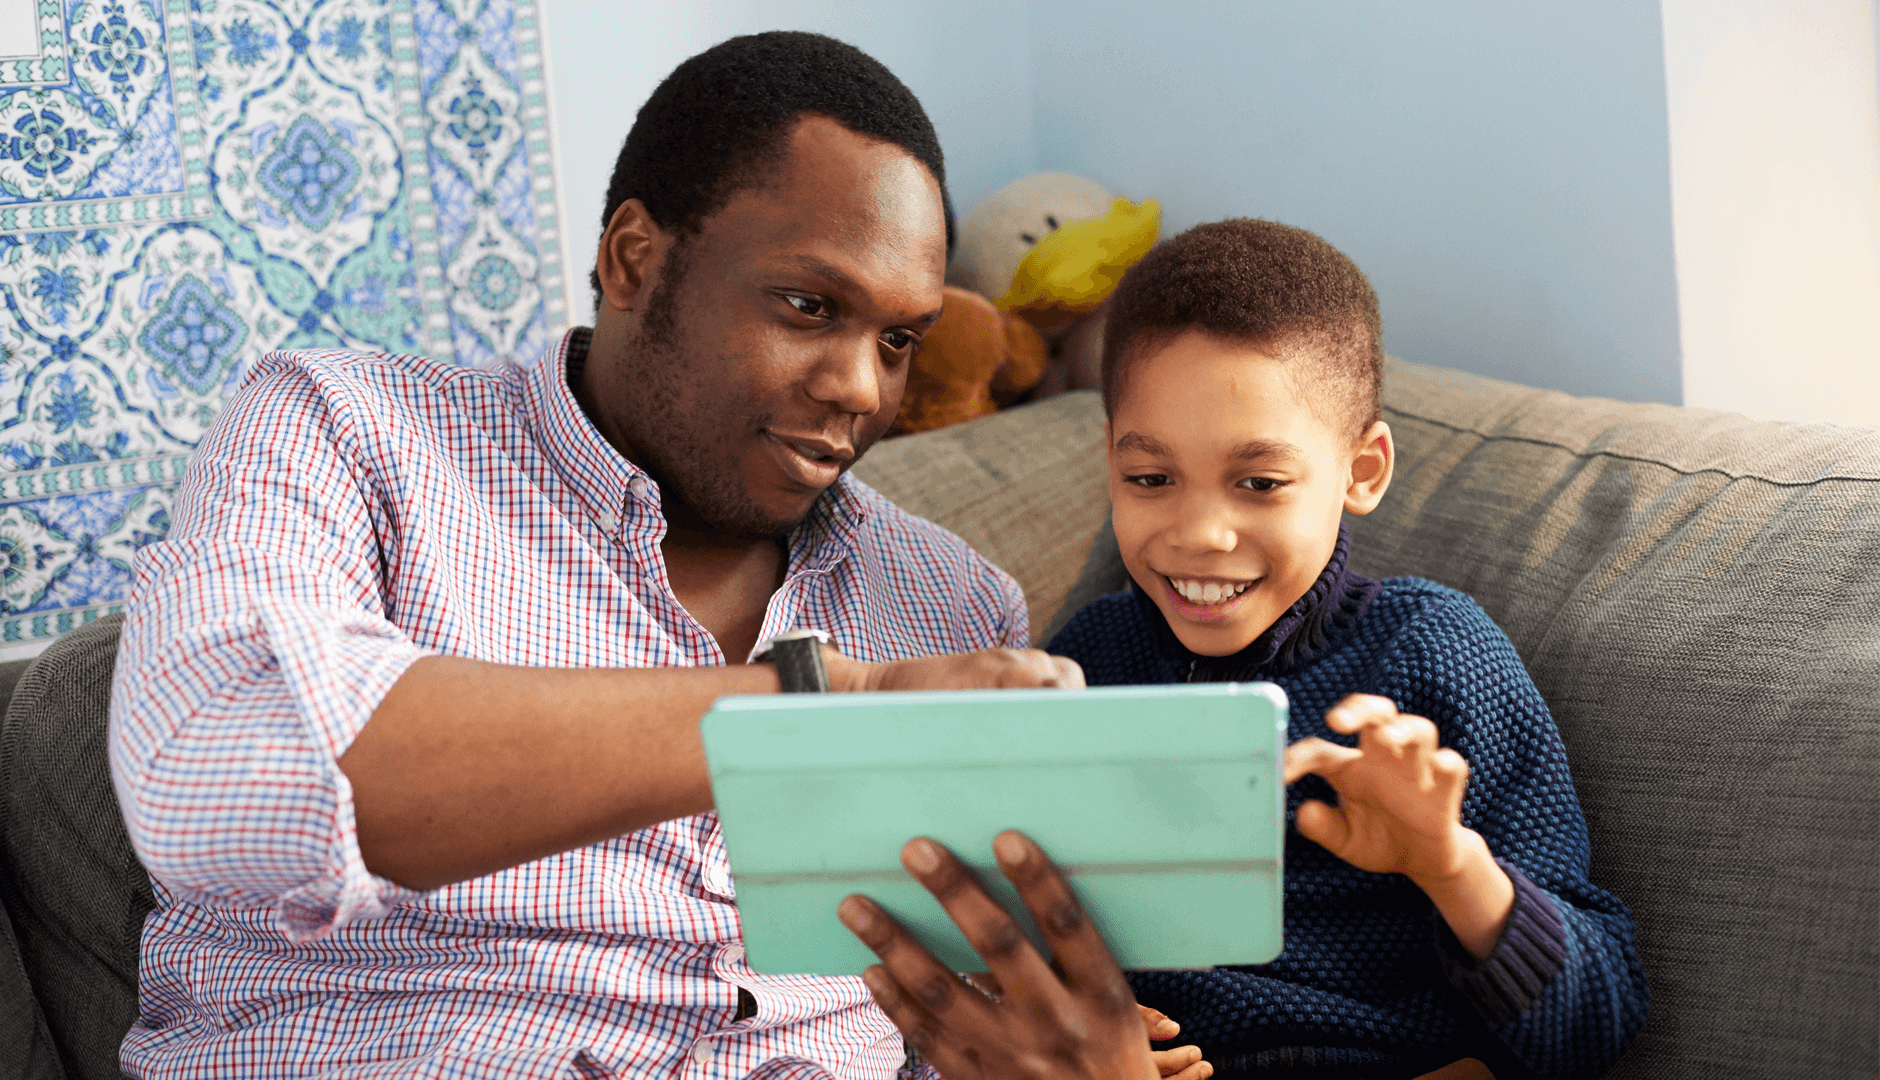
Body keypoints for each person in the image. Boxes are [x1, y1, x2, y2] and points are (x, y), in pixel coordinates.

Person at [107, 31, 1113, 1079]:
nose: (863, 388)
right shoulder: (351, 431)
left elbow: (953, 1020)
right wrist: (821, 708)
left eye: (899, 340)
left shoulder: (956, 604)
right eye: (810, 306)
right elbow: (210, 775)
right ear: (635, 258)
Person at [1035, 220, 1650, 1077]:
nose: (1202, 533)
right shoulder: (1083, 665)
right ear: (1109, 463)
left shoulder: (1434, 651)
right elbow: (1027, 920)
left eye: (1260, 484)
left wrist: (1450, 865)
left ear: (1361, 472)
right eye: (1150, 478)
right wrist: (1085, 1027)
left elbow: (1595, 1023)